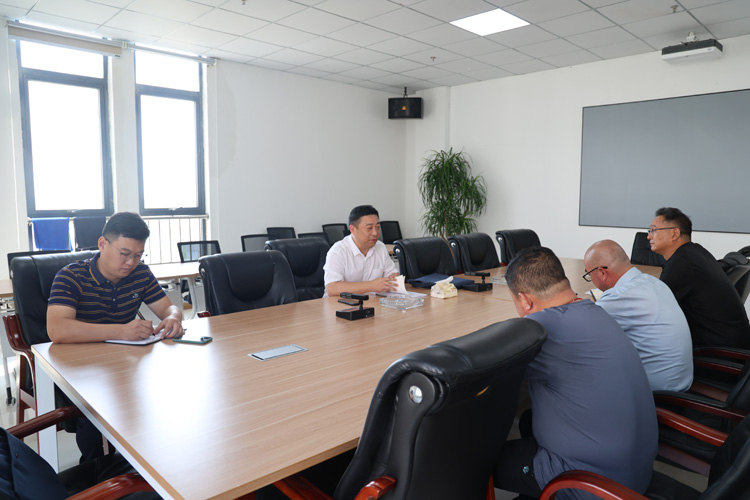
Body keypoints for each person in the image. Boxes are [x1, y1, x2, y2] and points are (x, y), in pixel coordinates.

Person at [494, 247, 657, 500]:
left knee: (476, 462)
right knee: (527, 420)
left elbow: (486, 370)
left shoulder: (542, 330)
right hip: (635, 474)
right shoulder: (597, 311)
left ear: (525, 300)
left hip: (592, 484)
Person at [46, 212, 184, 463]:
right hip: (80, 369)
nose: (131, 262)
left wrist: (174, 317)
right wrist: (121, 330)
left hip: (123, 365)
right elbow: (57, 330)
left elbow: (169, 308)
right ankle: (98, 470)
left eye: (138, 255)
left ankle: (151, 463)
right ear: (102, 244)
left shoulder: (140, 274)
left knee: (165, 398)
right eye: (125, 253)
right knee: (98, 413)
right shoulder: (71, 276)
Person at [583, 239, 693, 392]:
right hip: (680, 380)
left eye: (589, 275)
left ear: (602, 272)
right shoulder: (653, 281)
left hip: (658, 392)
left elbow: (581, 327)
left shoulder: (620, 296)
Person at [648, 207, 750, 349]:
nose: (649, 236)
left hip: (718, 351)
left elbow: (653, 310)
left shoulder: (682, 262)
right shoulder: (695, 252)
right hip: (733, 342)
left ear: (674, 233)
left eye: (653, 230)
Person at [323, 205, 399, 297]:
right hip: (340, 303)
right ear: (353, 229)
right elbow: (332, 288)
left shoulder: (380, 247)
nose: (375, 233)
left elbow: (392, 273)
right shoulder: (338, 251)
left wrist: (393, 277)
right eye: (369, 228)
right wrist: (371, 286)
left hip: (371, 301)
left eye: (377, 227)